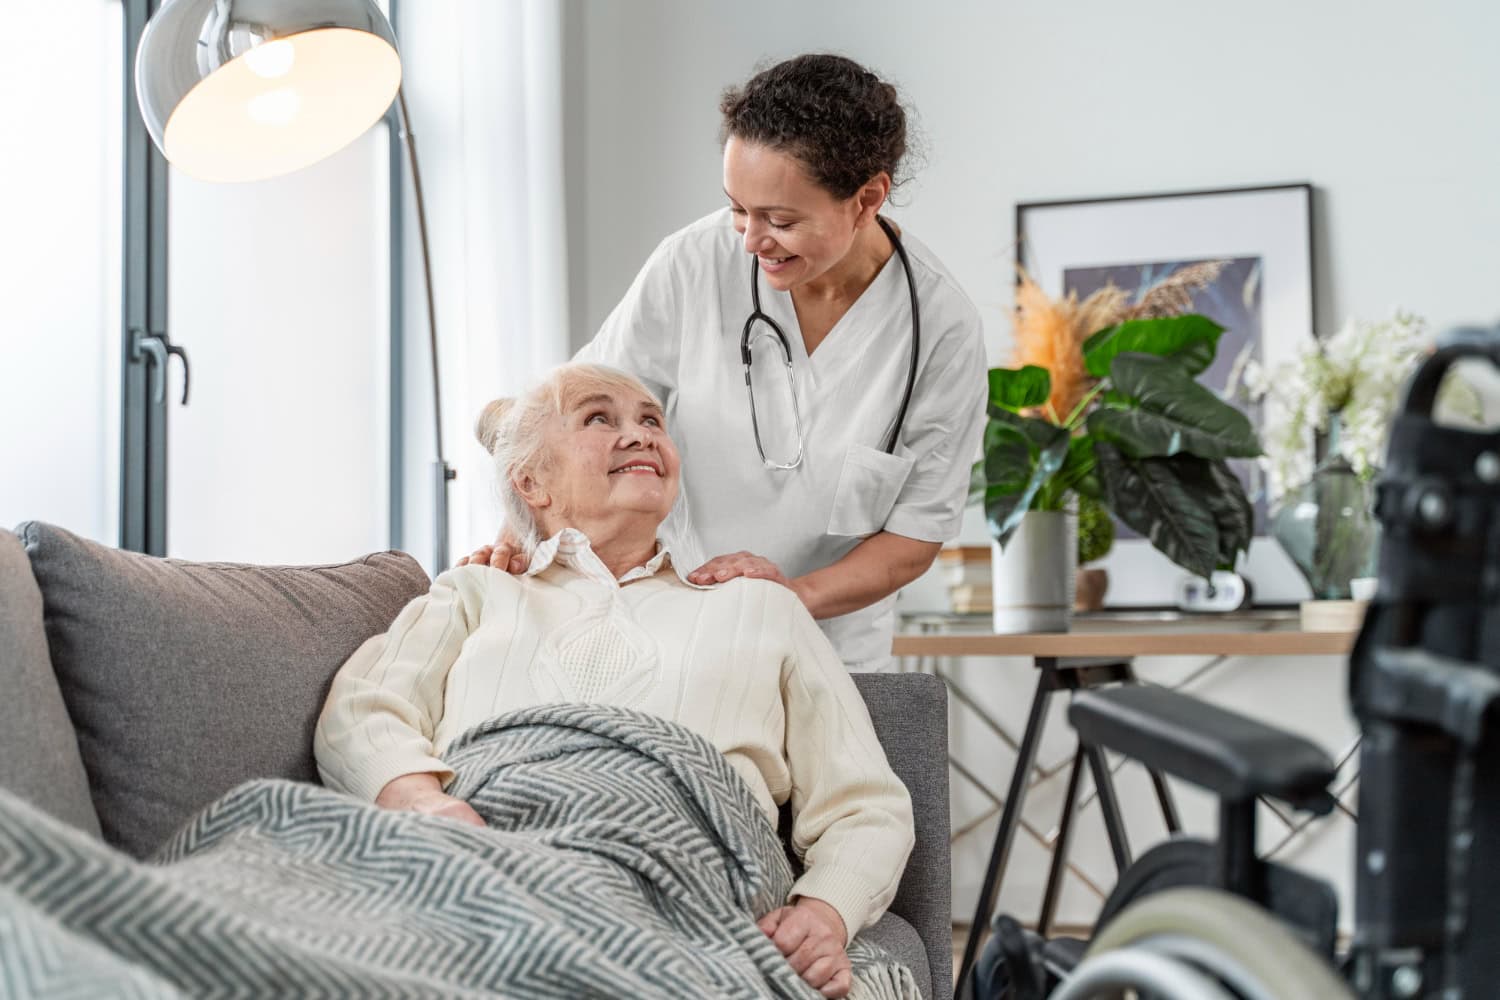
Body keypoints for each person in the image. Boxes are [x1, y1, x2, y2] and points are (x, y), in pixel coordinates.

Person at [317, 363, 916, 1000]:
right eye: (599, 418)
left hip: (695, 881)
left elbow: (867, 805)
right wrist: (422, 802)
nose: (639, 435)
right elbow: (362, 708)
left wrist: (824, 914)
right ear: (532, 481)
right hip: (490, 865)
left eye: (651, 420)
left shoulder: (760, 606)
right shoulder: (476, 590)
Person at [464, 53, 987, 673]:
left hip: (826, 650)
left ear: (867, 197)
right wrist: (517, 537)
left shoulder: (940, 330)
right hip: (662, 623)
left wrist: (787, 598)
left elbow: (911, 541)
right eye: (738, 208)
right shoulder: (694, 262)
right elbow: (574, 417)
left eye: (781, 220)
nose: (749, 239)